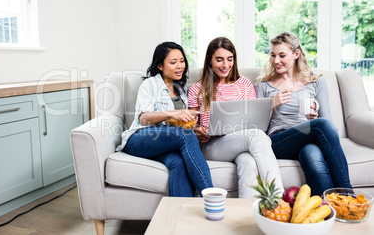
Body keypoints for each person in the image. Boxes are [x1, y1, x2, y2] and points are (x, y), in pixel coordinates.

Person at [255, 32, 352, 196]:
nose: (276, 60)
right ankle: (348, 194)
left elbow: (328, 122)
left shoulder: (315, 80)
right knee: (322, 126)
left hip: (308, 136)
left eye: (282, 55)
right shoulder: (264, 84)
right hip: (278, 140)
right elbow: (255, 128)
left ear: (296, 54)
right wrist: (271, 104)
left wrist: (312, 119)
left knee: (312, 154)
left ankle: (328, 207)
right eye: (273, 55)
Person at [188, 37, 284, 198]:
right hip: (212, 146)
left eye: (229, 59)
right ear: (209, 60)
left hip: (240, 143)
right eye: (219, 59)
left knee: (248, 162)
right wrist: (197, 131)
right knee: (257, 136)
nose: (225, 65)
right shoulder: (196, 89)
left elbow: (254, 120)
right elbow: (191, 126)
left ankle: (247, 212)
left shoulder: (245, 84)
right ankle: (278, 198)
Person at [116, 41, 214, 197]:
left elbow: (177, 128)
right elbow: (144, 119)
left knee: (178, 162)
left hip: (164, 144)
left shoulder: (181, 89)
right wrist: (172, 113)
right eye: (173, 62)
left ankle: (179, 215)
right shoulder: (150, 84)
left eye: (182, 61)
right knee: (185, 136)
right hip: (139, 139)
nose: (180, 66)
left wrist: (194, 130)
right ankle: (211, 197)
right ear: (160, 66)